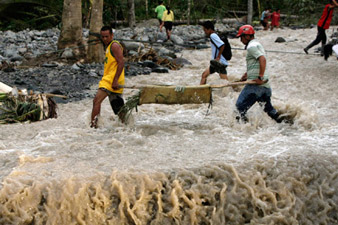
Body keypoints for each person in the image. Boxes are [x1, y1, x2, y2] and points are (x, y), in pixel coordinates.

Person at [235, 25, 287, 123]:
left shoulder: (251, 46)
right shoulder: (258, 44)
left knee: (238, 108)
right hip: (265, 87)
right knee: (269, 110)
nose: (240, 40)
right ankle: (286, 124)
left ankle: (243, 133)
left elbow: (262, 59)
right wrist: (247, 74)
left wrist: (260, 77)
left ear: (246, 36)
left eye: (241, 37)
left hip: (255, 86)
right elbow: (258, 62)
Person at [90, 26, 125, 128]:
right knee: (118, 109)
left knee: (96, 100)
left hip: (111, 80)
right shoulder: (109, 46)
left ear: (112, 35)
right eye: (103, 37)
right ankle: (127, 126)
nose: (104, 39)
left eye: (107, 36)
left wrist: (115, 80)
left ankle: (93, 126)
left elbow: (121, 63)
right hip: (112, 80)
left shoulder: (114, 46)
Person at [200, 21, 228, 85]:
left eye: (205, 30)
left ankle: (234, 91)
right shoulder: (215, 35)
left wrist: (218, 57)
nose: (205, 32)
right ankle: (201, 90)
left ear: (209, 29)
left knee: (225, 83)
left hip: (219, 63)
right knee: (204, 75)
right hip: (215, 63)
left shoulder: (213, 35)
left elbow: (222, 45)